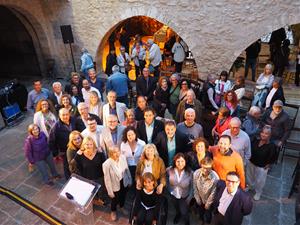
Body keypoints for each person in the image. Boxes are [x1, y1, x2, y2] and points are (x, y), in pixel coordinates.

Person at [102, 146, 132, 221]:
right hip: (114, 184)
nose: (117, 154)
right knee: (114, 199)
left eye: (118, 151)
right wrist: (110, 191)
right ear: (110, 154)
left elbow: (127, 169)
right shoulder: (106, 164)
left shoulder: (123, 157)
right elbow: (107, 179)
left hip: (123, 181)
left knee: (123, 195)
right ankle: (113, 211)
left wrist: (130, 179)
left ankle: (122, 206)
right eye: (114, 152)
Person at [246, 126, 276, 200]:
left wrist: (268, 165)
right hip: (251, 162)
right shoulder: (256, 140)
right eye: (262, 132)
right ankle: (249, 186)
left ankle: (258, 192)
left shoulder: (271, 146)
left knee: (260, 181)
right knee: (249, 176)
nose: (263, 134)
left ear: (270, 135)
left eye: (266, 133)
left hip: (262, 166)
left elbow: (273, 157)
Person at [74, 136, 106, 206]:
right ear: (83, 145)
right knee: (91, 191)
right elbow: (77, 167)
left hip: (99, 176)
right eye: (86, 144)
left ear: (93, 144)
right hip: (87, 178)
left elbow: (104, 163)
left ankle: (101, 199)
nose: (89, 146)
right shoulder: (80, 155)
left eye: (90, 144)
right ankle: (94, 200)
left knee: (100, 190)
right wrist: (76, 155)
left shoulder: (99, 153)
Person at [49, 108, 76, 179]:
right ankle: (69, 179)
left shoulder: (73, 120)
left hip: (76, 147)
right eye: (63, 115)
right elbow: (51, 141)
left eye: (67, 114)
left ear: (69, 114)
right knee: (67, 166)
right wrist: (56, 153)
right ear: (59, 116)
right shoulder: (55, 127)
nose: (65, 116)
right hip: (65, 150)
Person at [166, 153, 193, 225]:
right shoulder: (169, 170)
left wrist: (190, 197)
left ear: (185, 162)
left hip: (184, 196)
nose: (180, 163)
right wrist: (168, 189)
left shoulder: (190, 172)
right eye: (178, 161)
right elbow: (165, 179)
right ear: (175, 162)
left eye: (182, 161)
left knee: (184, 211)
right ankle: (178, 215)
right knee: (176, 208)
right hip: (173, 194)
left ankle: (187, 221)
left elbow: (192, 187)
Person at [193, 157, 219, 224]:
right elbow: (195, 187)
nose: (205, 170)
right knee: (200, 211)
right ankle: (201, 219)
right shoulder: (196, 173)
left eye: (208, 168)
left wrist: (208, 204)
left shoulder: (215, 178)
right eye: (204, 167)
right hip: (200, 199)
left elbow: (214, 192)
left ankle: (207, 221)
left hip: (209, 200)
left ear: (211, 167)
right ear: (201, 166)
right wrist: (198, 199)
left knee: (208, 214)